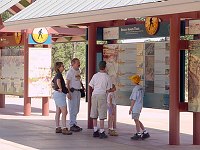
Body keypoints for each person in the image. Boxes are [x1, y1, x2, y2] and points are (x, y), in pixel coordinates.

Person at [89, 61, 112, 139]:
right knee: (102, 114)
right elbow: (108, 89)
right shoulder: (107, 77)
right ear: (105, 67)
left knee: (94, 113)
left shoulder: (95, 76)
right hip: (102, 95)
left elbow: (91, 85)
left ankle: (95, 130)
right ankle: (102, 131)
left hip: (94, 95)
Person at [52, 62, 72, 135]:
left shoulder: (56, 75)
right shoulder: (59, 75)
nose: (63, 67)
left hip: (56, 94)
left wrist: (57, 88)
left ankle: (57, 127)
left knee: (58, 111)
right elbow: (58, 81)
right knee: (64, 112)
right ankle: (64, 127)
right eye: (62, 66)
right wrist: (60, 88)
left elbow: (52, 83)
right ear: (58, 67)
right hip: (60, 94)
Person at [128, 74, 150, 140]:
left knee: (136, 120)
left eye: (132, 80)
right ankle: (145, 132)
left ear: (134, 81)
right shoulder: (141, 87)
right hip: (139, 105)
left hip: (135, 106)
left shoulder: (135, 89)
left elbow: (133, 99)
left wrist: (130, 108)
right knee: (137, 119)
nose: (131, 81)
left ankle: (138, 133)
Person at [66, 58, 84, 132]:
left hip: (78, 91)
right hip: (72, 91)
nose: (79, 64)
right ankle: (71, 124)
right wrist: (68, 93)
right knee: (72, 108)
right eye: (77, 63)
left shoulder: (78, 71)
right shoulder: (70, 72)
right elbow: (67, 83)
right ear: (73, 63)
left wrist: (82, 87)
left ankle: (74, 123)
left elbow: (79, 80)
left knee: (76, 108)